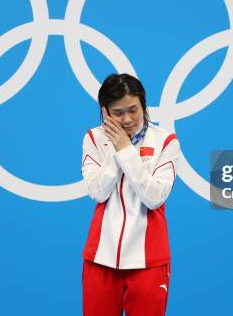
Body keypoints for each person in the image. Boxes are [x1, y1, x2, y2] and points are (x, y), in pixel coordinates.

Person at [81, 73, 181, 316]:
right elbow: (98, 192)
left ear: (143, 105)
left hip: (149, 261)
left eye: (133, 110)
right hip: (100, 259)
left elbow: (154, 197)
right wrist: (117, 148)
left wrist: (126, 150)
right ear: (104, 111)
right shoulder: (93, 138)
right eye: (117, 112)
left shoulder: (166, 141)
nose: (127, 119)